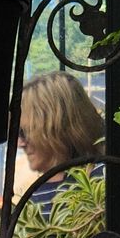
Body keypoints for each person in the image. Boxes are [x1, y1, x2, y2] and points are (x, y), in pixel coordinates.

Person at [19, 70, 104, 215]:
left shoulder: (102, 180)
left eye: (24, 132)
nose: (21, 143)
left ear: (56, 128)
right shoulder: (35, 197)